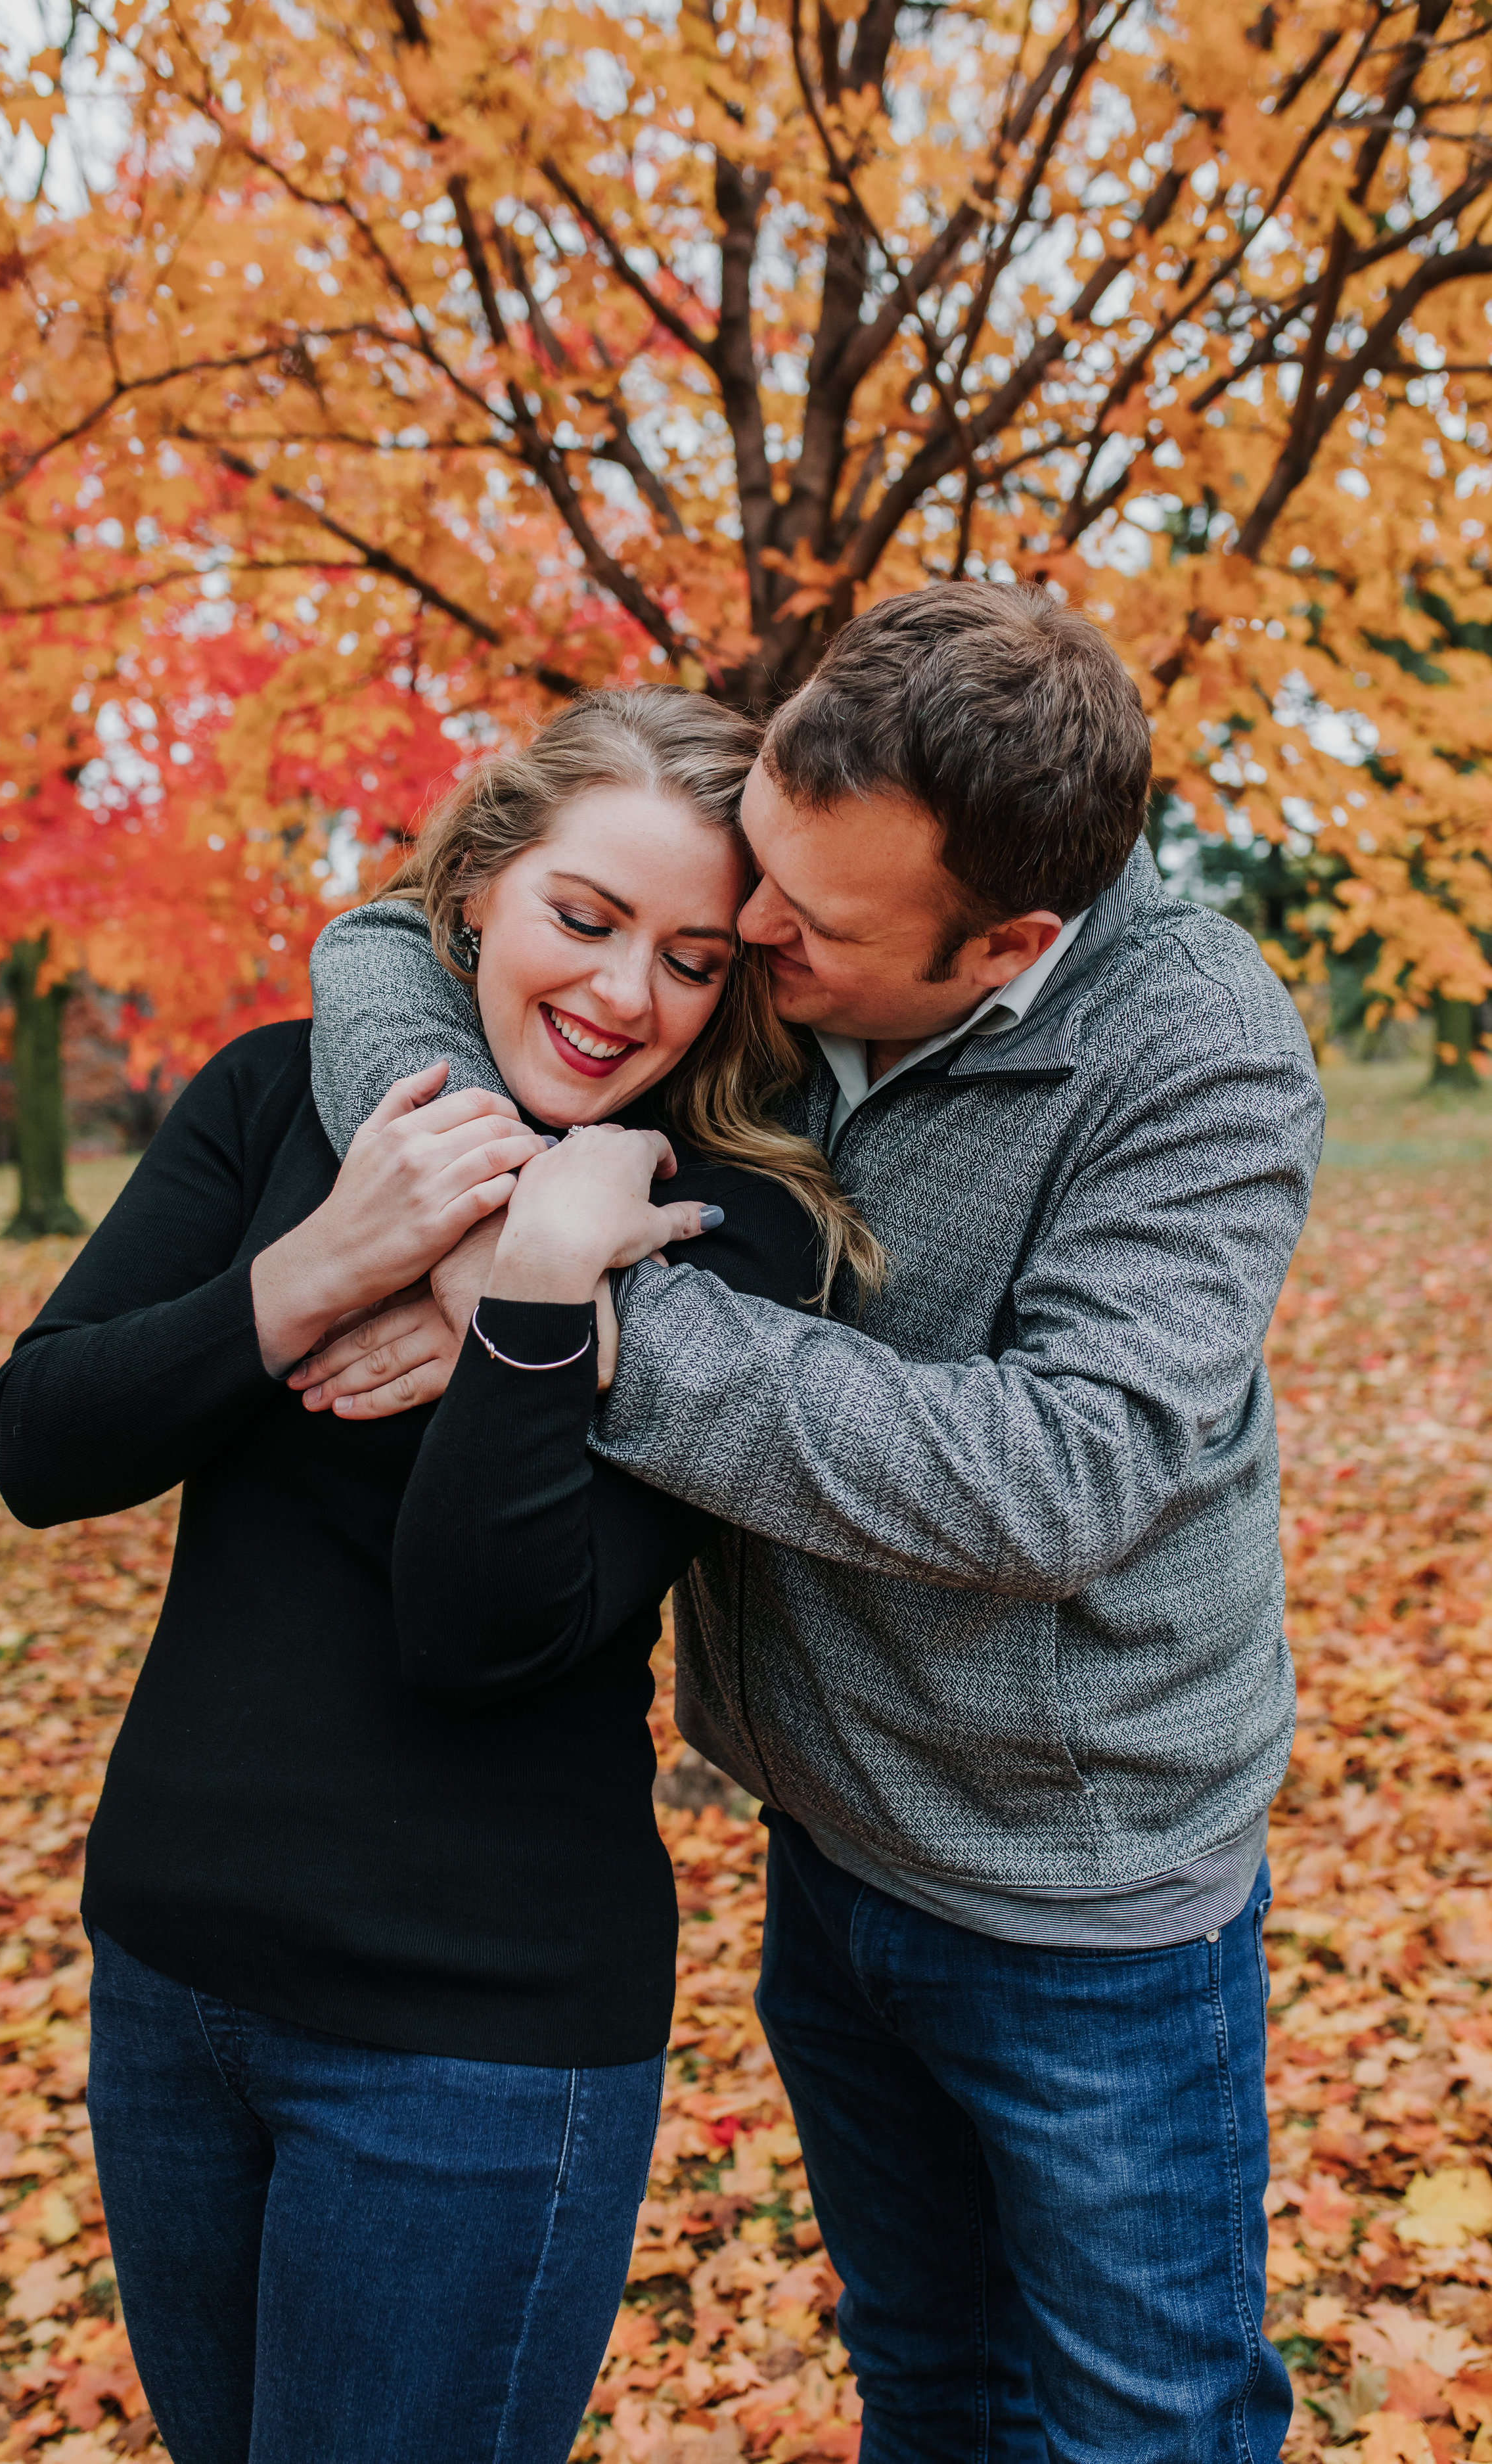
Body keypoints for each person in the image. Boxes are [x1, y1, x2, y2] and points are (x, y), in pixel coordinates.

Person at [304, 581, 1326, 2463]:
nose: (740, 934)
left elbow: (1061, 1478)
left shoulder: (1200, 1058)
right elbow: (392, 928)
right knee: (927, 2382)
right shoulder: (784, 911)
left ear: (1007, 937)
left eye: (808, 920)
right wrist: (480, 1213)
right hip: (827, 1834)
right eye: (755, 862)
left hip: (1080, 1892)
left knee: (1140, 2427)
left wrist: (573, 1314)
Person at [0, 689, 880, 2464]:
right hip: (168, 1977)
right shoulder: (276, 1097)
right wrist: (327, 1266)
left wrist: (539, 1298)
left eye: (692, 959)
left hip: (472, 2046)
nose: (625, 995)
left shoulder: (737, 1230)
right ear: (479, 888)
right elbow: (45, 1443)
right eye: (584, 918)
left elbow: (483, 1632)